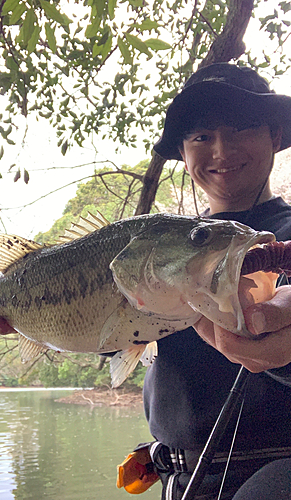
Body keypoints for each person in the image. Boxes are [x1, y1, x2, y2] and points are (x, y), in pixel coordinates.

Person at [142, 63, 291, 499]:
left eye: (242, 128)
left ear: (275, 138)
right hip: (182, 482)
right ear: (185, 152)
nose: (222, 151)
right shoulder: (156, 247)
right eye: (201, 136)